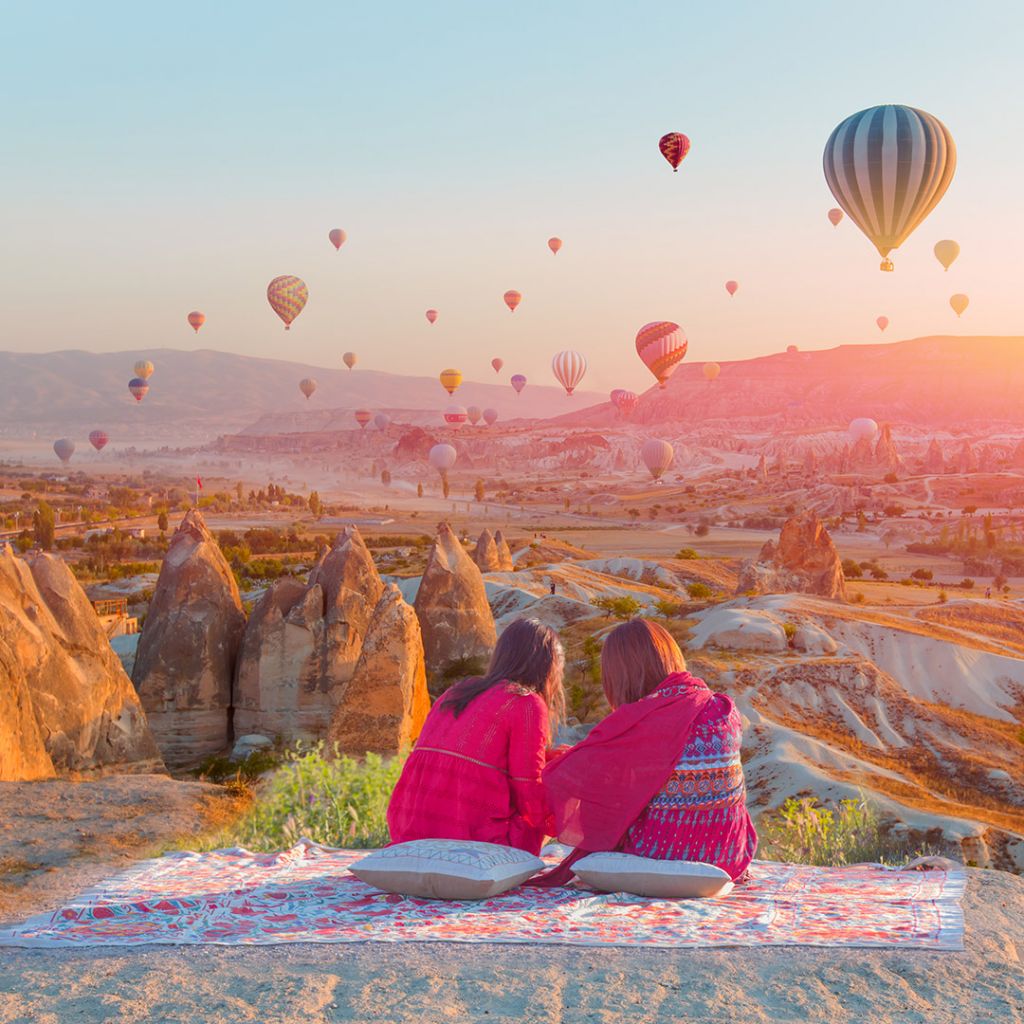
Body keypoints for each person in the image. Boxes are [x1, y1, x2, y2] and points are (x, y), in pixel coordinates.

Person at [536, 619, 756, 885]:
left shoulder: (637, 722)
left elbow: (566, 779)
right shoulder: (721, 708)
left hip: (657, 853)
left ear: (620, 675)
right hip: (729, 855)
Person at [387, 618, 565, 855]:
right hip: (475, 843)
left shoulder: (459, 690)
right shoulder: (525, 702)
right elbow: (529, 793)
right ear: (546, 667)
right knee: (566, 768)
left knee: (556, 761)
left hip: (409, 834)